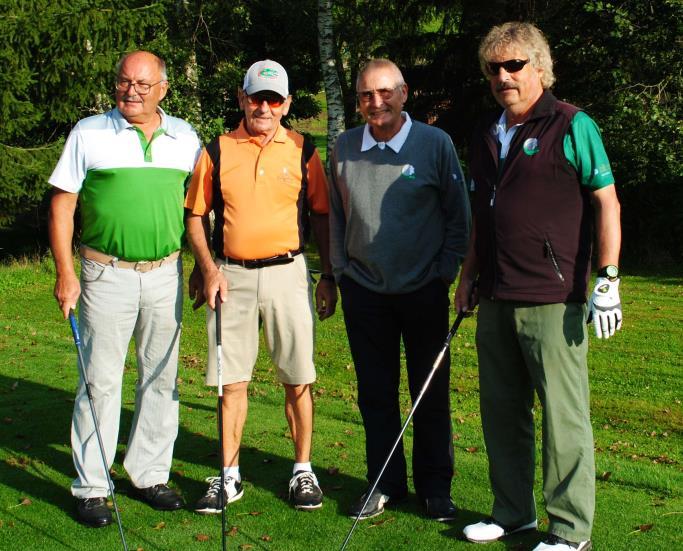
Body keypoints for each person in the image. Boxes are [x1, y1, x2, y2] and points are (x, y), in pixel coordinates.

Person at [455, 22, 622, 551]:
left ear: (540, 68)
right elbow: (482, 214)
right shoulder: (488, 133)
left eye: (514, 65)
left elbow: (607, 202)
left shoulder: (572, 124)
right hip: (496, 295)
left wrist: (608, 277)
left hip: (553, 298)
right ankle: (513, 514)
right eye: (493, 68)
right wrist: (467, 277)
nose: (503, 76)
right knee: (502, 412)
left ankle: (570, 531)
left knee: (563, 418)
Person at [48, 51, 201, 527]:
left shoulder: (185, 138)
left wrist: (204, 263)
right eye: (123, 82)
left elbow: (198, 205)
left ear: (163, 89)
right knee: (100, 380)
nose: (130, 91)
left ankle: (149, 473)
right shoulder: (89, 132)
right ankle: (93, 486)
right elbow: (62, 206)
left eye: (141, 83)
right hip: (103, 272)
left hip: (165, 273)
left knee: (160, 377)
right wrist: (65, 271)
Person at [185, 59, 336, 514]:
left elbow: (323, 215)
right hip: (230, 277)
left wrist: (329, 275)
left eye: (274, 99)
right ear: (241, 98)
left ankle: (302, 470)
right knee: (231, 383)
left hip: (289, 273)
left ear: (287, 102)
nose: (265, 107)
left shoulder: (303, 148)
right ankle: (229, 476)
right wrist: (207, 268)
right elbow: (195, 216)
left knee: (298, 377)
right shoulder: (217, 149)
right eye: (257, 97)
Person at [328, 58, 471, 521]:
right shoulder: (344, 147)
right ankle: (384, 483)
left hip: (423, 288)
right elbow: (335, 216)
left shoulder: (434, 144)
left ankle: (436, 488)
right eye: (367, 95)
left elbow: (458, 215)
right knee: (375, 393)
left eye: (385, 92)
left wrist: (445, 271)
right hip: (365, 290)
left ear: (404, 93)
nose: (377, 102)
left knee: (429, 391)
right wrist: (339, 270)